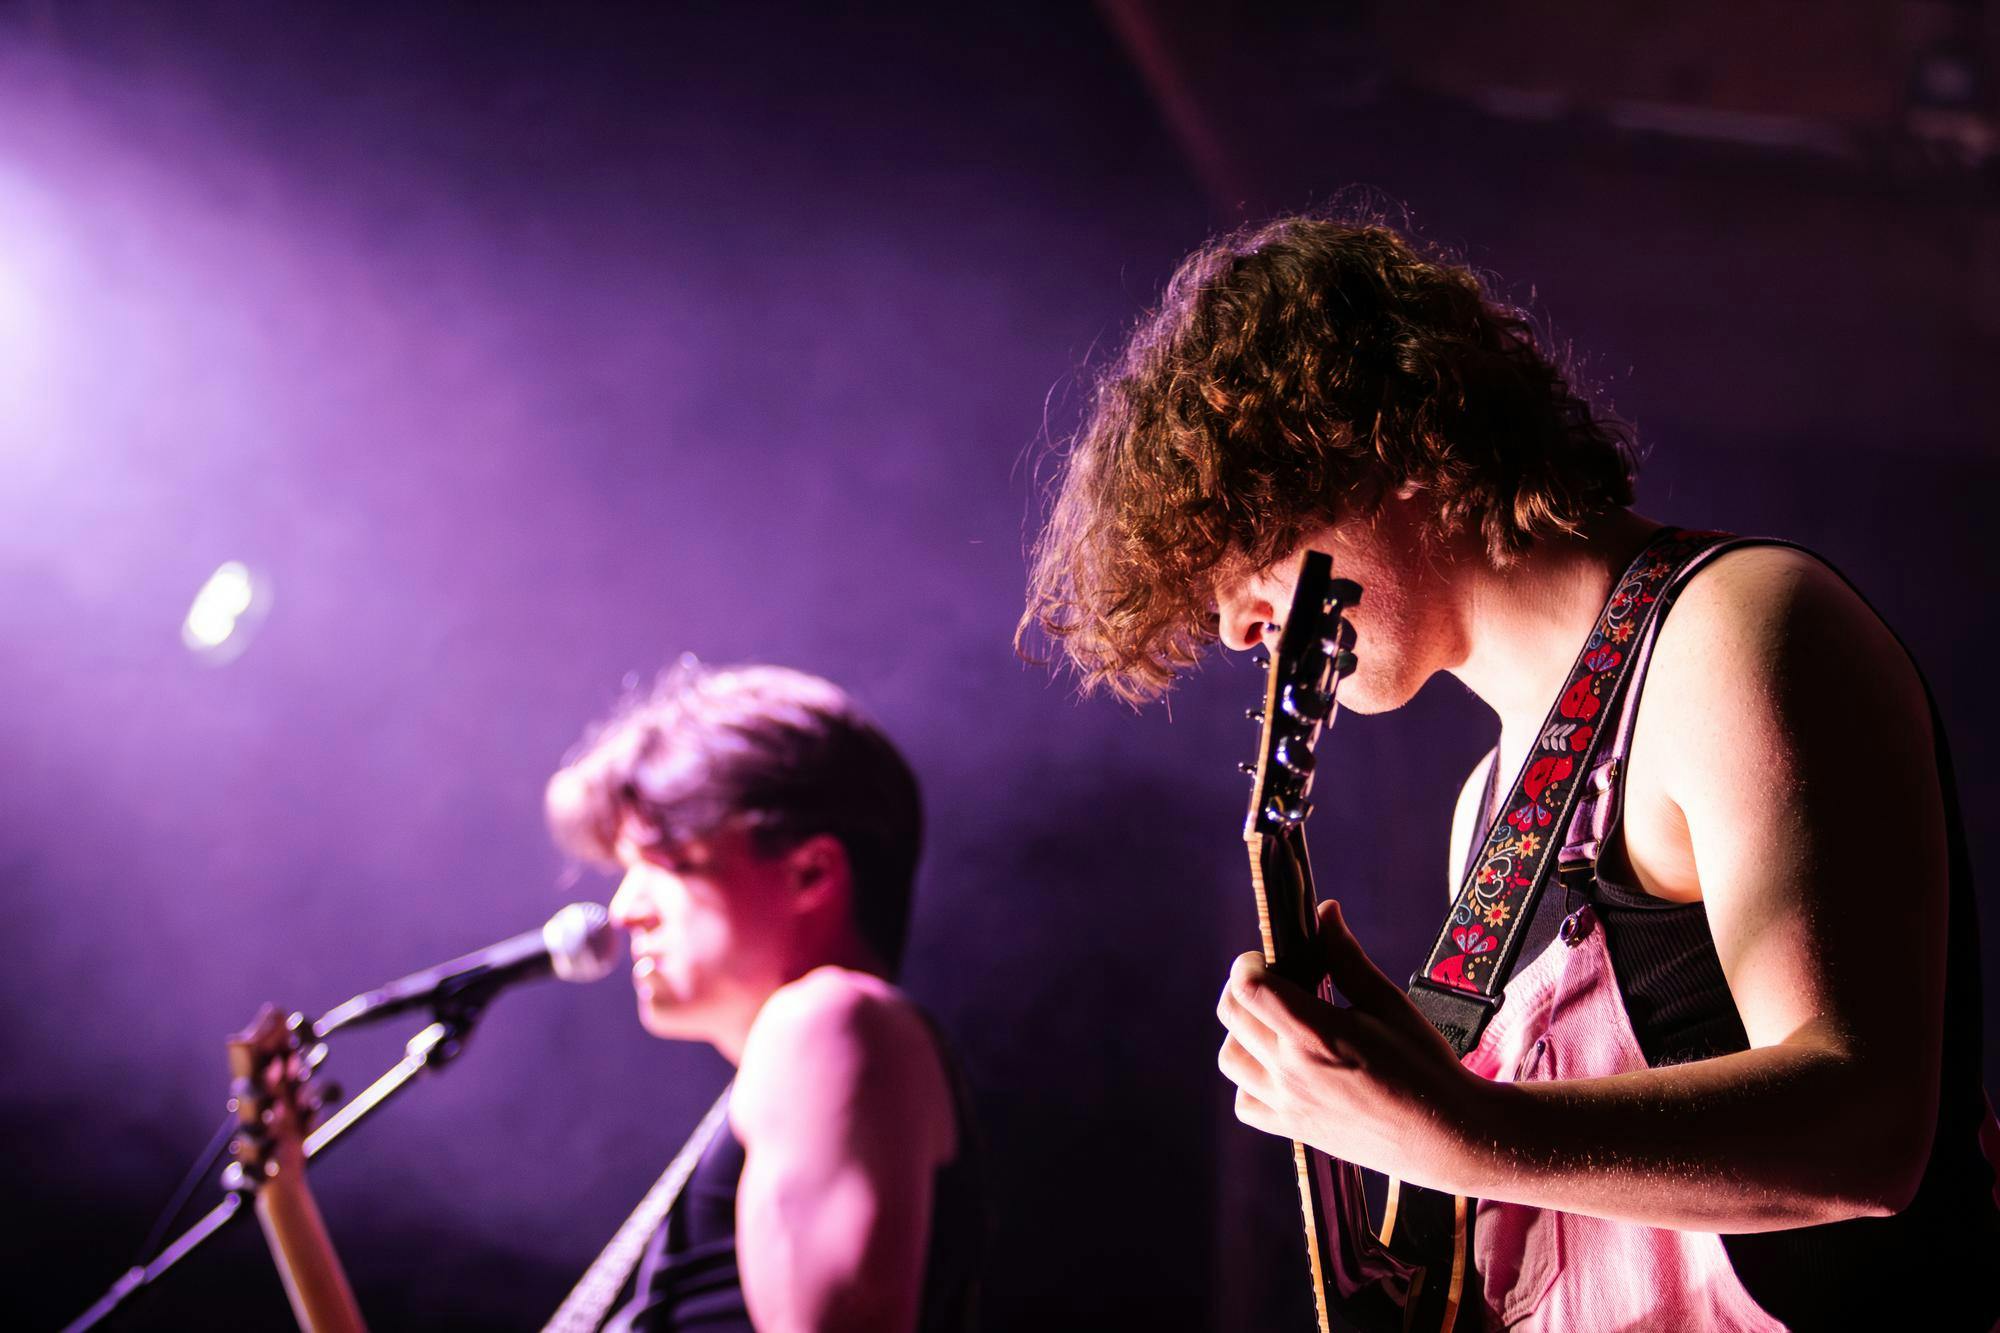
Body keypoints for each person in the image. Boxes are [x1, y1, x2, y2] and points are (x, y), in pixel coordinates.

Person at [1020, 213, 2000, 1328]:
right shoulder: (1484, 808)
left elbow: (1868, 1130)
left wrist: (1461, 1134)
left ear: (1370, 442)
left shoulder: (1737, 628)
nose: (1238, 623)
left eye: (1246, 553)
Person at [543, 661, 981, 1333]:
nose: (625, 910)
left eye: (662, 864)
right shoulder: (803, 1061)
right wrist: (311, 1210)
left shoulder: (825, 1017)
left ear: (810, 871)